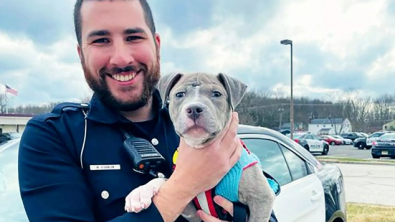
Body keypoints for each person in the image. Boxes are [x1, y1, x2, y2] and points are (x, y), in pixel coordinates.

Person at [17, 0, 244, 222]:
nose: (122, 58)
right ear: (80, 54)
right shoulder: (54, 135)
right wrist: (183, 187)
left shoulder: (208, 121)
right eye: (101, 40)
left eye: (133, 37)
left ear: (157, 45)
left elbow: (264, 208)